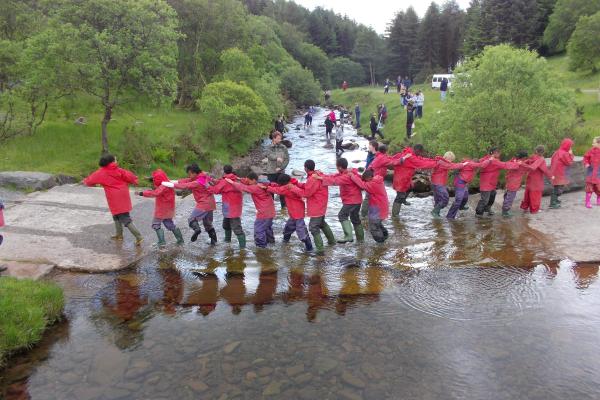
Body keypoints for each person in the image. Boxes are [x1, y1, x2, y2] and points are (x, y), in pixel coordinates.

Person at [83, 153, 143, 245]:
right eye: (115, 160)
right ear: (110, 162)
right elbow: (130, 177)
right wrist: (134, 180)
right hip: (123, 195)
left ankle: (139, 237)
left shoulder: (101, 172)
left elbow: (90, 181)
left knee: (124, 218)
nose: (116, 161)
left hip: (114, 197)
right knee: (116, 215)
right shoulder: (119, 170)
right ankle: (119, 235)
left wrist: (86, 182)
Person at [289, 160, 335, 253]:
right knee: (321, 223)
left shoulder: (312, 179)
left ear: (305, 168)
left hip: (316, 206)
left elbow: (306, 193)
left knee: (313, 227)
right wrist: (297, 184)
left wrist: (293, 188)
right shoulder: (317, 174)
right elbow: (308, 187)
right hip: (322, 204)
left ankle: (320, 250)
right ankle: (332, 242)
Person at [320, 158, 365, 243]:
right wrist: (321, 176)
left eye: (337, 166)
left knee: (342, 215)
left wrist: (321, 179)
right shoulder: (348, 173)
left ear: (340, 167)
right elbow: (334, 176)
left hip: (351, 201)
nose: (336, 168)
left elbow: (335, 181)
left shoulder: (346, 176)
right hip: (357, 200)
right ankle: (361, 240)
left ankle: (348, 236)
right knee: (355, 218)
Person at [136, 169, 184, 247]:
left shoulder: (163, 186)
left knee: (156, 224)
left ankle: (161, 242)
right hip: (169, 208)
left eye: (155, 179)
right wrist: (150, 179)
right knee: (169, 224)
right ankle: (180, 240)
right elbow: (157, 187)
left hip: (162, 209)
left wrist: (142, 193)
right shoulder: (168, 183)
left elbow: (155, 193)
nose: (154, 180)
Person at [226, 172, 275, 248]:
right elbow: (246, 182)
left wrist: (232, 182)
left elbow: (244, 187)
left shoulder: (256, 188)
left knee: (258, 230)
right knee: (267, 228)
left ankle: (261, 248)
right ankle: (271, 244)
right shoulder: (263, 183)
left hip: (264, 213)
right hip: (271, 212)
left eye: (249, 181)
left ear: (254, 180)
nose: (248, 183)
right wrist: (238, 179)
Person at [172, 164, 218, 245]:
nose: (189, 175)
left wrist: (171, 185)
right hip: (211, 203)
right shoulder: (203, 177)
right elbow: (186, 180)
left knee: (191, 219)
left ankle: (197, 230)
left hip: (204, 203)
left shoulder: (198, 181)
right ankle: (214, 242)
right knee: (208, 224)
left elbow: (186, 185)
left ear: (195, 173)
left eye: (190, 174)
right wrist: (172, 181)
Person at [266, 174, 313, 251]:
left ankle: (310, 249)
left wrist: (266, 187)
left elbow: (278, 190)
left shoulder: (287, 188)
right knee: (288, 229)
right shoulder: (292, 183)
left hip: (297, 214)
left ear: (283, 183)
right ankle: (285, 243)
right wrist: (270, 184)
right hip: (294, 214)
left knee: (302, 234)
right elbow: (278, 186)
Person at [389, 144, 437, 218]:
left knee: (410, 187)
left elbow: (421, 159)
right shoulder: (411, 157)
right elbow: (422, 163)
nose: (420, 154)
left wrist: (434, 160)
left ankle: (403, 200)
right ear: (417, 150)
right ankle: (395, 216)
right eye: (420, 152)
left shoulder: (410, 153)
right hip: (401, 179)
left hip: (405, 178)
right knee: (399, 196)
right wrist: (436, 164)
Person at [207, 165, 246, 249]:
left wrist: (207, 185)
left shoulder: (225, 181)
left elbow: (216, 190)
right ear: (231, 171)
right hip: (236, 207)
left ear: (224, 171)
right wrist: (212, 180)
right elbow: (219, 182)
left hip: (229, 208)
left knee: (236, 228)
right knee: (227, 225)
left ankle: (242, 249)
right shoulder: (236, 179)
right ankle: (229, 242)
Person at [475, 147, 518, 217]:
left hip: (492, 183)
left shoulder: (496, 160)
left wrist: (513, 161)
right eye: (497, 152)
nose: (499, 153)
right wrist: (516, 164)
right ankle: (478, 213)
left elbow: (503, 165)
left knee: (493, 195)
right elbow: (479, 164)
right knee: (484, 199)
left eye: (499, 152)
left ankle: (487, 208)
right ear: (492, 152)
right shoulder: (486, 159)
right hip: (485, 183)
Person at [349, 169, 389, 243]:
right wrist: (354, 174)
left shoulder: (373, 184)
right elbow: (363, 181)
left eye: (366, 180)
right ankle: (386, 237)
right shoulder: (376, 180)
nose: (366, 181)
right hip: (381, 206)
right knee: (377, 224)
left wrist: (352, 176)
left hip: (378, 208)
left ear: (370, 177)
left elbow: (362, 185)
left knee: (373, 227)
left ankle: (381, 243)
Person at [430, 152, 465, 217]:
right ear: (447, 157)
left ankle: (436, 215)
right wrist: (463, 164)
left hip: (435, 183)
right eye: (451, 159)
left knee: (437, 199)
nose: (451, 161)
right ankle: (434, 212)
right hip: (438, 183)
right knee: (445, 198)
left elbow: (450, 165)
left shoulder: (441, 161)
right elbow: (452, 166)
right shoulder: (442, 162)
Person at [520, 145, 553, 214]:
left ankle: (525, 207)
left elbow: (525, 163)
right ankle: (534, 210)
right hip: (536, 180)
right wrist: (551, 176)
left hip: (529, 178)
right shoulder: (541, 159)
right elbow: (545, 170)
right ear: (543, 152)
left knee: (528, 193)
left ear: (536, 151)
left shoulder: (532, 157)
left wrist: (520, 163)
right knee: (535, 195)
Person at [265, 131, 289, 210]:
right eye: (278, 138)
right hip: (271, 172)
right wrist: (277, 158)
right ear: (274, 138)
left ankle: (283, 208)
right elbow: (269, 155)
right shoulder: (269, 147)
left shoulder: (283, 147)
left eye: (280, 138)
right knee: (270, 191)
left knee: (283, 190)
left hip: (281, 172)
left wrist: (281, 168)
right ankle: (271, 209)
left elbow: (287, 159)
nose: (280, 140)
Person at [502, 150, 529, 217]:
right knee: (510, 197)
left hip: (509, 181)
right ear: (524, 157)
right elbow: (530, 168)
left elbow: (508, 164)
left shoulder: (513, 160)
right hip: (514, 183)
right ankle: (505, 212)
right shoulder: (520, 164)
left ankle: (504, 210)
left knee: (507, 195)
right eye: (525, 157)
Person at [549, 138, 575, 209]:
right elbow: (569, 162)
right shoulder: (564, 153)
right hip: (560, 173)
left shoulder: (557, 152)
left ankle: (555, 200)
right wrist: (571, 154)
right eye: (570, 146)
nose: (570, 148)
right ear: (567, 146)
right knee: (558, 188)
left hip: (555, 172)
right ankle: (553, 203)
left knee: (557, 187)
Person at [583, 136, 600, 208]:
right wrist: (586, 163)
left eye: (594, 143)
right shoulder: (591, 150)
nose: (592, 144)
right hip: (590, 171)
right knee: (589, 188)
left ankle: (599, 200)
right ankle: (587, 202)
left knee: (599, 188)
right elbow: (585, 157)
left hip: (599, 173)